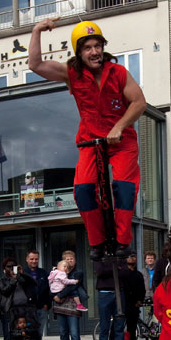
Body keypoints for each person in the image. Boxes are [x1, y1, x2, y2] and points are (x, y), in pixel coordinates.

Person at [28, 18, 146, 260]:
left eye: (97, 46)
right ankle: (97, 241)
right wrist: (37, 30)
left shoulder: (119, 73)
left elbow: (139, 103)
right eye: (88, 48)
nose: (94, 52)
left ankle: (123, 240)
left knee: (124, 186)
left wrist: (120, 126)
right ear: (79, 52)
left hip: (121, 141)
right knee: (82, 190)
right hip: (90, 141)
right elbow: (35, 64)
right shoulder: (71, 74)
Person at [0, 258, 37, 340]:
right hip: (9, 311)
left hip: (24, 310)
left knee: (26, 335)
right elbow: (5, 291)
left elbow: (34, 283)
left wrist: (22, 273)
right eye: (8, 266)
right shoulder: (1, 280)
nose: (11, 268)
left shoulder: (20, 277)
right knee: (9, 339)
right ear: (4, 269)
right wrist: (13, 279)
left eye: (13, 266)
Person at [52, 249, 88, 340]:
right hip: (60, 306)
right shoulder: (57, 271)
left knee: (74, 332)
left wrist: (60, 295)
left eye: (71, 259)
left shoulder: (78, 272)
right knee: (63, 332)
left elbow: (72, 287)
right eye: (67, 259)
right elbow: (52, 284)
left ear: (75, 260)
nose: (69, 261)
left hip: (73, 306)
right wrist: (54, 295)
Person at [94, 259, 127, 340]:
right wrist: (115, 268)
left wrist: (108, 270)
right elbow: (100, 271)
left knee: (119, 326)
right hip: (105, 293)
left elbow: (125, 273)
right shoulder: (99, 256)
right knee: (104, 327)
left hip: (118, 292)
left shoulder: (119, 256)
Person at [23, 250, 51, 338]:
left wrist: (47, 304)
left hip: (41, 308)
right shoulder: (22, 273)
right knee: (28, 333)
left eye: (36, 259)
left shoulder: (43, 272)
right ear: (27, 259)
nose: (34, 261)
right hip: (27, 309)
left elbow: (48, 289)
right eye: (31, 259)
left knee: (39, 333)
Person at [123, 253, 146, 340]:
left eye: (134, 256)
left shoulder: (138, 274)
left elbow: (142, 289)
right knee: (119, 328)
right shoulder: (122, 273)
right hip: (124, 303)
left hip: (134, 305)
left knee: (132, 329)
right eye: (130, 256)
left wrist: (140, 300)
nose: (132, 258)